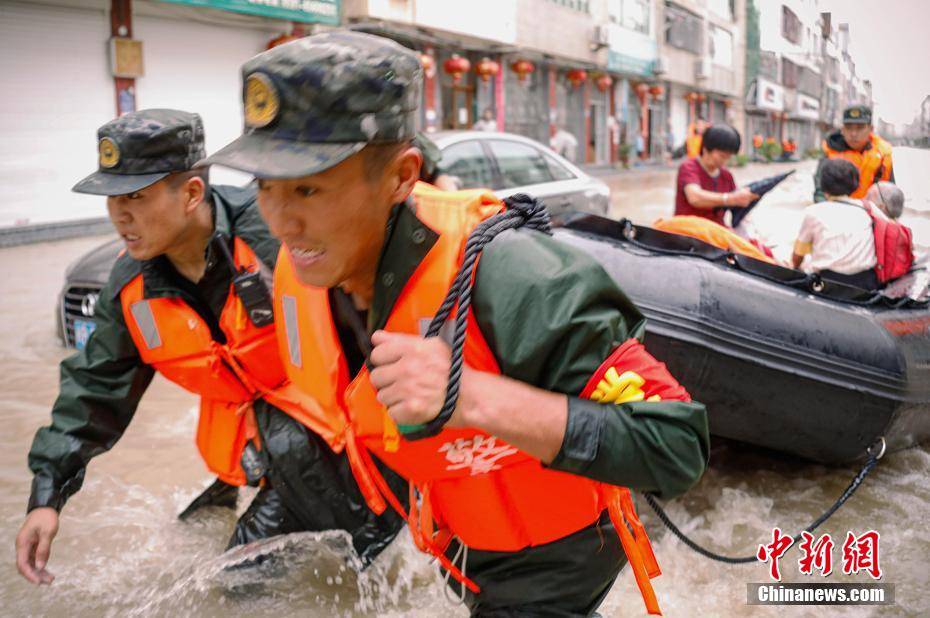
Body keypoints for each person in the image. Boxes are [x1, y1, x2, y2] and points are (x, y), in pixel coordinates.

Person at [202, 30, 709, 616]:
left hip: (555, 559)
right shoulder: (304, 273)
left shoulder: (510, 273)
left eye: (309, 189)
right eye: (265, 188)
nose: (282, 220)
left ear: (400, 176)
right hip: (457, 540)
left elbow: (676, 446)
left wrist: (470, 396)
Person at [15, 109, 405, 587]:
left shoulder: (275, 239)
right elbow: (94, 389)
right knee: (203, 541)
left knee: (238, 581)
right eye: (112, 198)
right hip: (264, 447)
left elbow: (375, 319)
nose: (119, 214)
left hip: (344, 442)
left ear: (192, 194)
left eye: (136, 196)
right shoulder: (131, 287)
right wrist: (46, 498)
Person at [792, 158, 879, 289]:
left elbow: (798, 254)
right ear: (855, 185)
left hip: (829, 282)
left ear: (823, 185)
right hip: (866, 282)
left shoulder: (814, 212)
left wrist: (795, 268)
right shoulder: (868, 209)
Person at [674, 125, 758, 226]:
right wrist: (730, 199)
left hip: (716, 233)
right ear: (705, 149)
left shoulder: (726, 175)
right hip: (688, 232)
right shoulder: (689, 168)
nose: (725, 161)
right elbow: (695, 198)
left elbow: (736, 208)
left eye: (729, 157)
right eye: (722, 156)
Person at [814, 104, 894, 201]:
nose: (853, 133)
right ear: (842, 130)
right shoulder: (830, 151)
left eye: (860, 128)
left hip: (870, 212)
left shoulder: (884, 154)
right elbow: (820, 191)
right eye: (849, 127)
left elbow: (891, 195)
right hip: (836, 210)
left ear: (871, 129)